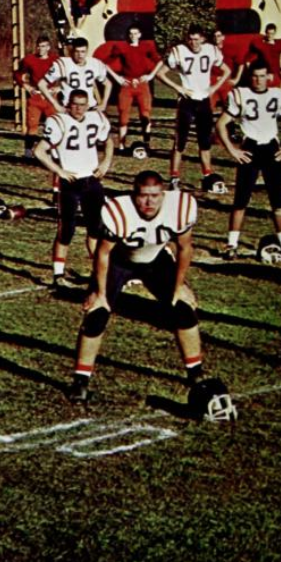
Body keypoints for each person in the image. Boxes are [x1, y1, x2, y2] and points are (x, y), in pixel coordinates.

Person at [67, 171, 210, 406]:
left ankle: (195, 374)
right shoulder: (118, 212)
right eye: (143, 196)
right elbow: (103, 253)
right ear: (134, 195)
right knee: (96, 314)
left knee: (183, 310)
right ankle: (80, 381)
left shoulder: (180, 207)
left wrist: (179, 285)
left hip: (156, 260)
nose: (149, 202)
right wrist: (100, 293)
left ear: (163, 194)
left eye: (155, 196)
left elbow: (184, 247)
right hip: (119, 262)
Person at [34, 88, 115, 287]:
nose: (79, 109)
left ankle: (99, 271)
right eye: (75, 104)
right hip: (70, 182)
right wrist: (59, 171)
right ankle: (58, 274)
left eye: (82, 104)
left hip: (91, 180)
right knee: (67, 229)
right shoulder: (59, 122)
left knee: (96, 228)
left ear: (88, 105)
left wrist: (105, 163)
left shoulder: (95, 118)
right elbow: (39, 151)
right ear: (69, 104)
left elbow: (108, 141)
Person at [217, 62, 281, 260]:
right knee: (241, 199)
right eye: (255, 76)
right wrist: (232, 150)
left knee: (278, 198)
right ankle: (231, 244)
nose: (258, 80)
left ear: (269, 77)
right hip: (250, 149)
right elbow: (221, 124)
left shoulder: (278, 94)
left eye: (262, 76)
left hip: (271, 148)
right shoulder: (240, 94)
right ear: (249, 77)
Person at [156, 27, 230, 191]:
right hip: (187, 101)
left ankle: (207, 176)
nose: (193, 43)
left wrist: (214, 87)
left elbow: (226, 70)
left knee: (204, 142)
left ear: (203, 39)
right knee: (179, 143)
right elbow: (160, 73)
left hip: (203, 100)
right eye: (190, 39)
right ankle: (174, 178)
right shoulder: (180, 51)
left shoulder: (211, 50)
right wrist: (178, 88)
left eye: (196, 39)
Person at [95, 27, 159, 156]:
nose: (133, 35)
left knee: (145, 114)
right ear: (128, 35)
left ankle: (147, 143)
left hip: (142, 83)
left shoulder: (146, 46)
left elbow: (160, 60)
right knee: (124, 114)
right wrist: (117, 77)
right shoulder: (122, 47)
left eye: (136, 33)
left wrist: (151, 75)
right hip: (127, 83)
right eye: (131, 33)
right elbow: (105, 63)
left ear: (140, 34)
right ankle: (122, 145)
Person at [16, 34, 59, 158]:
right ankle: (28, 152)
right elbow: (18, 75)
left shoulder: (55, 60)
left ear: (49, 47)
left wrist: (59, 87)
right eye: (39, 46)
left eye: (44, 46)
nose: (41, 49)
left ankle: (53, 151)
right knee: (32, 124)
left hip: (50, 96)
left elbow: (67, 75)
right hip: (36, 96)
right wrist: (27, 87)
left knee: (54, 124)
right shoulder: (29, 59)